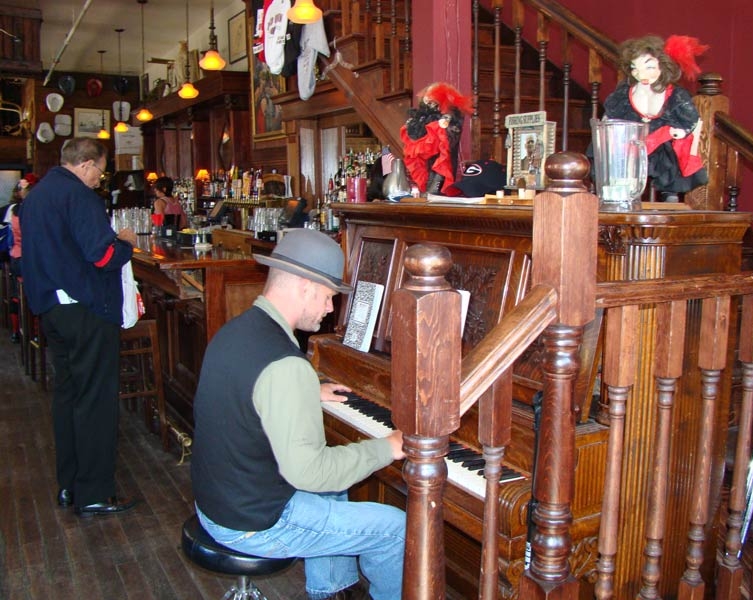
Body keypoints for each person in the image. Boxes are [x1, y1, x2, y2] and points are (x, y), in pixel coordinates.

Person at [191, 228, 406, 600]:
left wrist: (307, 391)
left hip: (217, 500)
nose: (329, 308)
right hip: (253, 523)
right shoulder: (286, 367)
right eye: (327, 297)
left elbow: (249, 396)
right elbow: (310, 472)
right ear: (305, 286)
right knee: (396, 528)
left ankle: (331, 589)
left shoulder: (236, 331)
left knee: (338, 484)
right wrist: (387, 447)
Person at [20, 137, 139, 517]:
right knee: (96, 401)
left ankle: (69, 485)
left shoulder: (35, 196)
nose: (98, 180)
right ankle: (94, 492)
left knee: (67, 396)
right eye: (99, 172)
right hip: (85, 308)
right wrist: (126, 244)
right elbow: (102, 256)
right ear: (86, 164)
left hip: (51, 309)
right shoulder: (79, 197)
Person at [602, 34, 709, 197]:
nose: (640, 74)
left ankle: (670, 193)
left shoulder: (676, 94)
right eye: (634, 68)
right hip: (631, 145)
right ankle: (623, 190)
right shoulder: (625, 93)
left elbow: (690, 119)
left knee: (669, 154)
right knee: (618, 154)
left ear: (663, 66)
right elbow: (611, 115)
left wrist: (679, 131)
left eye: (649, 67)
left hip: (662, 145)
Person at [401, 81, 473, 195]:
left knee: (436, 183)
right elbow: (417, 142)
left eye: (433, 99)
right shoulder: (422, 118)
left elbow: (448, 142)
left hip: (440, 170)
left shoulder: (450, 119)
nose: (428, 101)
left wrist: (441, 124)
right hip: (428, 168)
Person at [6, 173, 39, 342]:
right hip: (30, 259)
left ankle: (16, 331)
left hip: (16, 258)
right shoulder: (34, 210)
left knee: (15, 294)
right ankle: (36, 333)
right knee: (35, 292)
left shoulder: (15, 210)